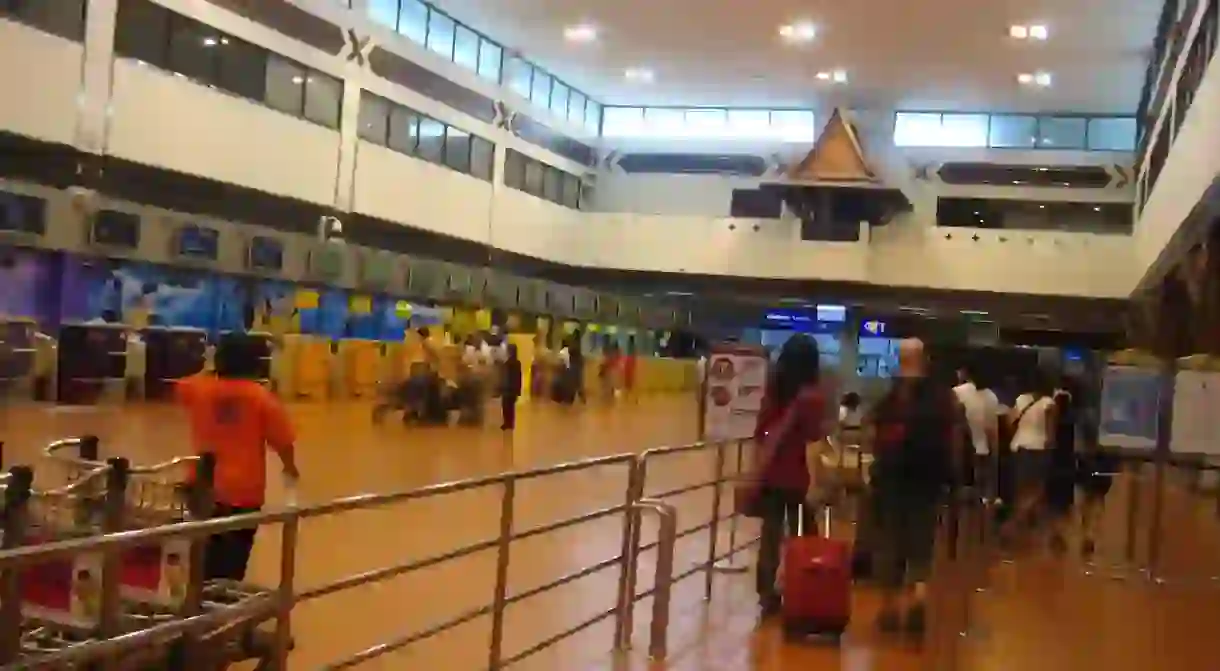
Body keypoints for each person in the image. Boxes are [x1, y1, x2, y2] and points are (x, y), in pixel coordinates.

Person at [176, 333, 300, 580]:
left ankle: (199, 602)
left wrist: (210, 367)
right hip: (243, 492)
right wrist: (290, 467)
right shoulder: (262, 399)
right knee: (234, 558)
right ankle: (224, 607)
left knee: (203, 552)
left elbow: (181, 386)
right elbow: (284, 442)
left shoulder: (198, 389)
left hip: (201, 485)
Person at [867, 338, 964, 635]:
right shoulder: (943, 398)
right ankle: (918, 598)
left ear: (901, 359)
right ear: (925, 360)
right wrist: (954, 479)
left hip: (892, 481)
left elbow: (873, 433)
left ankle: (889, 609)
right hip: (929, 482)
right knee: (921, 545)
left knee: (890, 544)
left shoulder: (893, 397)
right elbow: (956, 440)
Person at [748, 334, 826, 617]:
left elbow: (761, 434)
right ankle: (799, 587)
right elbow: (812, 444)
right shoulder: (812, 397)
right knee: (802, 537)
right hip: (798, 478)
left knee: (770, 534)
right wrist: (815, 484)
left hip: (771, 476)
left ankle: (766, 593)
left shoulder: (773, 391)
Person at [1006, 374, 1057, 535]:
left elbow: (1009, 421)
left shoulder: (1021, 399)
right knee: (1037, 488)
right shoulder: (1049, 403)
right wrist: (1051, 450)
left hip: (1018, 445)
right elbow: (1050, 431)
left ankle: (1025, 520)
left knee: (1021, 488)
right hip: (1038, 447)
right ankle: (1012, 525)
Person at [953, 365, 1000, 495]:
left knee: (961, 488)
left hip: (963, 448)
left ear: (964, 373)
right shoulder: (991, 396)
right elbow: (992, 429)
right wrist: (995, 452)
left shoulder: (958, 392)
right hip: (983, 449)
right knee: (983, 489)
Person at [500, 344, 523, 430]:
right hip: (512, 388)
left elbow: (507, 376)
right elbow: (519, 377)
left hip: (508, 388)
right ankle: (510, 423)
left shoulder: (509, 363)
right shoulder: (517, 363)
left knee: (506, 406)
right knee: (510, 407)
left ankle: (507, 422)